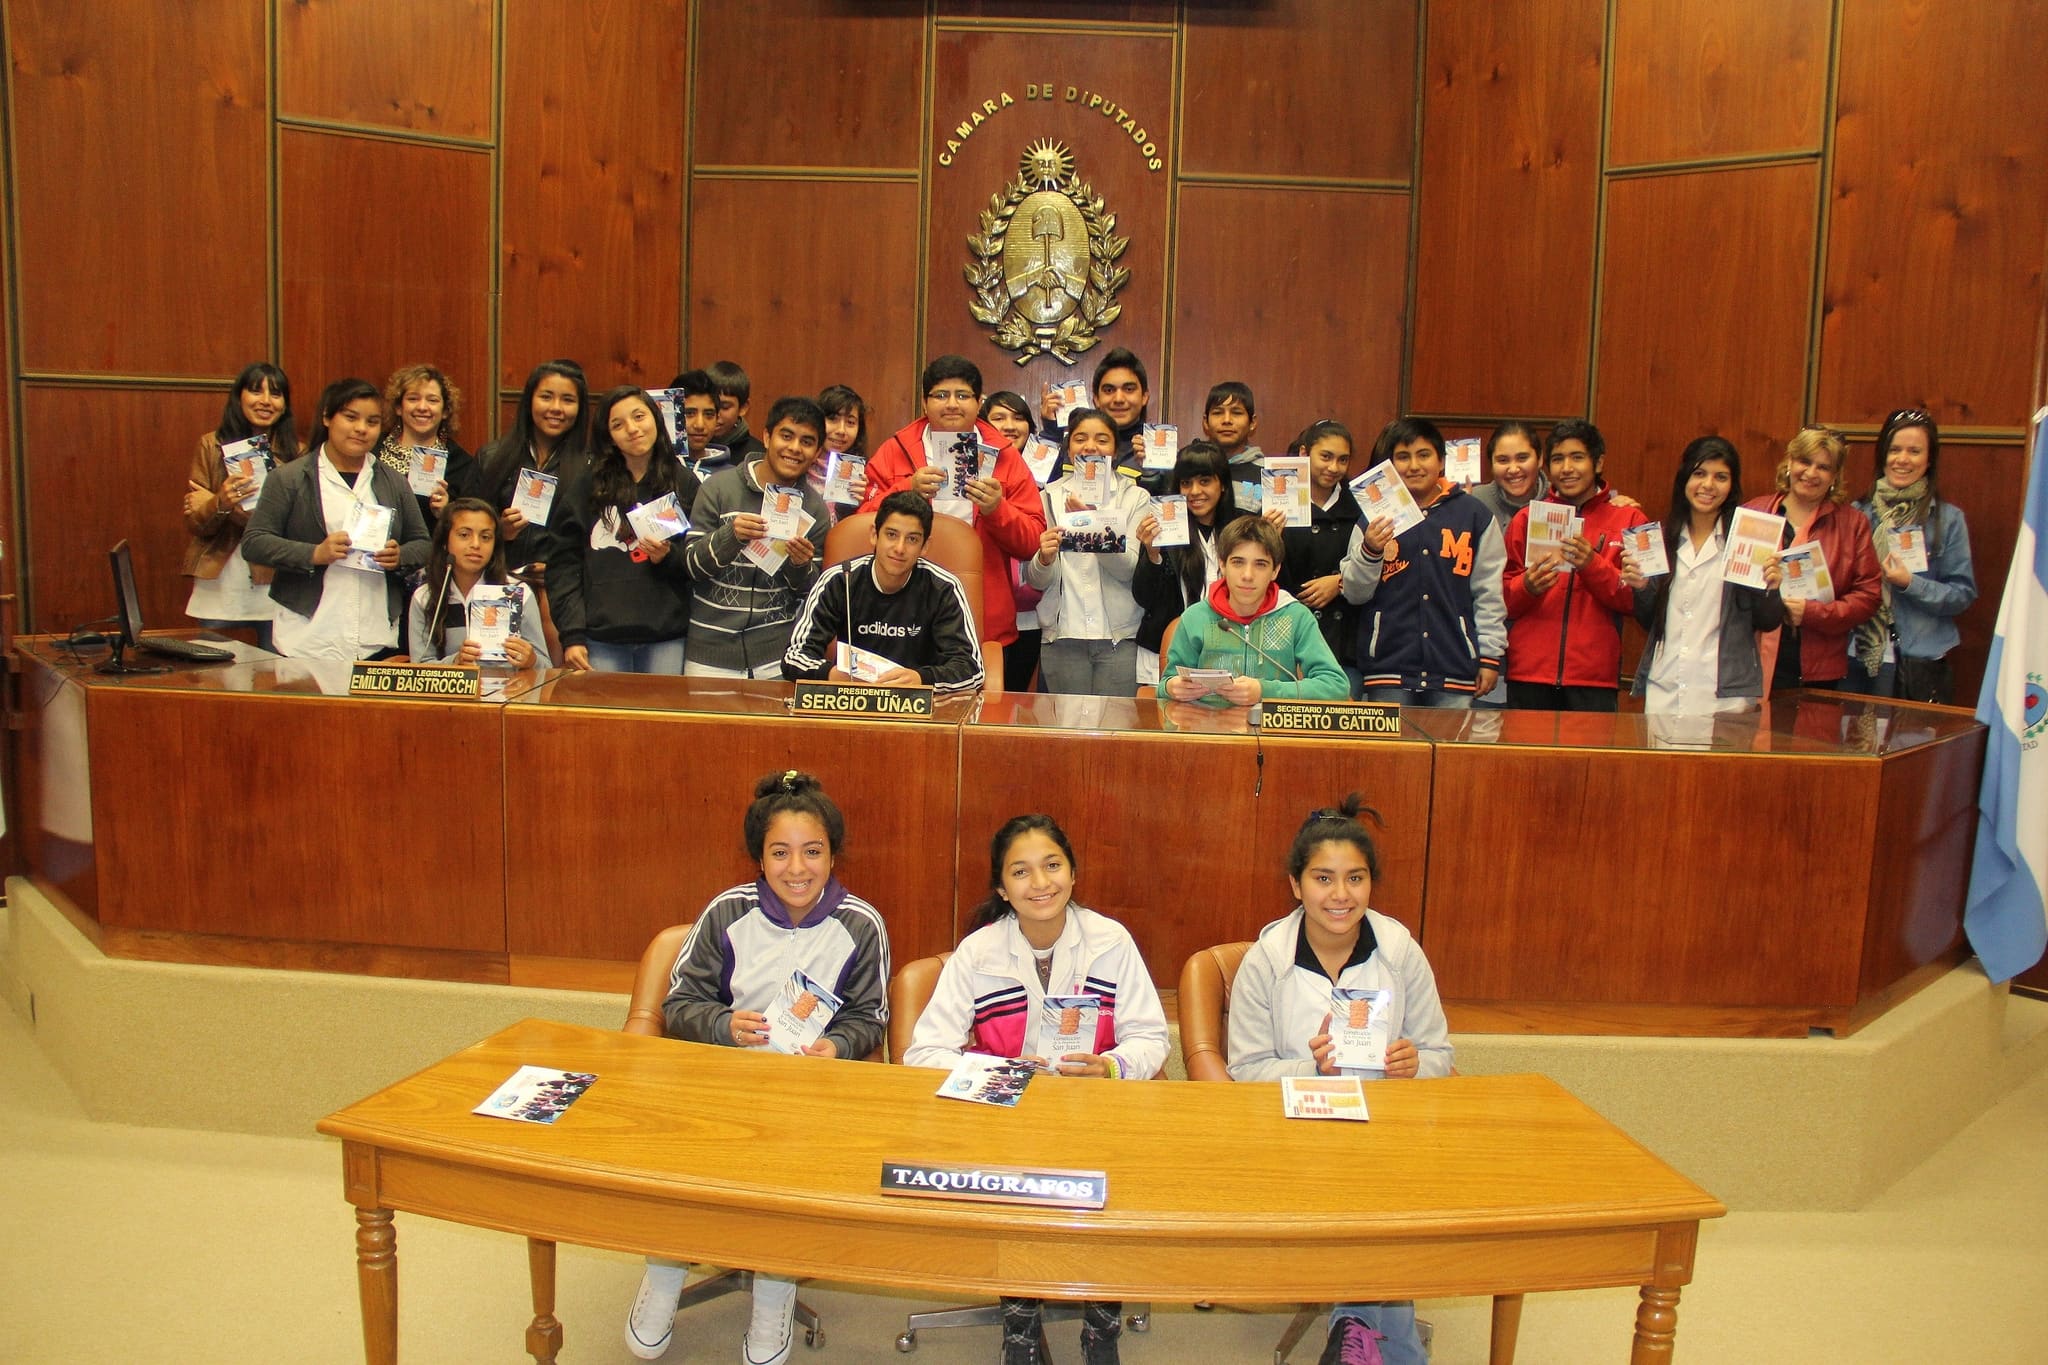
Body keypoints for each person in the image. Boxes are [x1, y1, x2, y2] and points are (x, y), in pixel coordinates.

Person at [628, 770, 891, 1364]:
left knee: (789, 1175)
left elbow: (871, 1017)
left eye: (813, 852)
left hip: (809, 1091)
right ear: (758, 857)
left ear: (833, 855)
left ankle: (774, 1293)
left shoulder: (861, 924)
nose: (797, 868)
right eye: (780, 853)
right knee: (685, 1163)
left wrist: (839, 1047)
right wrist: (724, 1025)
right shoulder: (727, 913)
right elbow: (680, 1004)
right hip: (725, 1082)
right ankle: (665, 1271)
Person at [904, 813, 1166, 1365]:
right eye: (1021, 872)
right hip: (1006, 1116)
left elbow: (1151, 1036)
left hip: (1093, 1112)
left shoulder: (1110, 942)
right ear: (1002, 887)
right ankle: (1018, 1331)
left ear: (1074, 873)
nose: (1040, 883)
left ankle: (1101, 1333)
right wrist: (1000, 1072)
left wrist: (1111, 1066)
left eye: (1052, 865)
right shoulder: (978, 952)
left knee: (1105, 1189)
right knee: (1017, 1188)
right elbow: (924, 1053)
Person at [1227, 797, 1451, 1365]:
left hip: (1382, 1127)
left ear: (1372, 884)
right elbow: (1246, 1070)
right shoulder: (1267, 960)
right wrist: (1313, 1069)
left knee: (1381, 1180)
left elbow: (1441, 1055)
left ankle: (1356, 1326)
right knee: (1368, 1193)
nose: (1340, 894)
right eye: (1323, 879)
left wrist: (1413, 1063)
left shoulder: (1400, 952)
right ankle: (1376, 1335)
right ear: (1295, 886)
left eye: (1356, 878)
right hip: (1295, 1130)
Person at [857, 355, 1045, 676]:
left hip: (982, 611)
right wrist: (907, 488)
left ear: (979, 402)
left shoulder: (1005, 456)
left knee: (981, 716)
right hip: (904, 613)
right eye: (941, 395)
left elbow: (1032, 541)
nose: (952, 404)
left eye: (963, 395)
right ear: (924, 402)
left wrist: (996, 510)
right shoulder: (896, 449)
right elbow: (861, 526)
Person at [242, 377, 429, 660]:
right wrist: (314, 553)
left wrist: (399, 555)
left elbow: (424, 544)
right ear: (327, 417)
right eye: (350, 417)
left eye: (372, 421)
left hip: (373, 634)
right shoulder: (289, 478)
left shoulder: (394, 482)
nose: (361, 429)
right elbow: (254, 543)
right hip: (306, 634)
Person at [1339, 417, 1504, 707]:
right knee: (1391, 753)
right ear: (1390, 466)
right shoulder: (1372, 517)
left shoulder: (1474, 516)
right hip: (1388, 668)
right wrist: (1371, 551)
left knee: (1451, 751)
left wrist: (1489, 657)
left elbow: (1489, 593)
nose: (1414, 466)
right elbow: (1354, 593)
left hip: (1454, 668)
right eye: (1403, 457)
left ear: (1441, 461)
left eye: (1423, 455)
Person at [1623, 437, 1783, 714]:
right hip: (1665, 690)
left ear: (1732, 486)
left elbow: (1767, 621)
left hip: (1724, 698)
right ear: (1684, 479)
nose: (1708, 485)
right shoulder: (1663, 539)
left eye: (1720, 477)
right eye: (1699, 474)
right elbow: (1649, 622)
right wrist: (1642, 588)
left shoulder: (1745, 542)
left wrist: (1770, 588)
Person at [547, 386, 700, 673]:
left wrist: (667, 558)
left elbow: (699, 558)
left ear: (656, 418)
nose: (632, 429)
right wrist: (572, 634)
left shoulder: (683, 482)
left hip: (666, 637)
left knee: (661, 718)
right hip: (602, 639)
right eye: (618, 425)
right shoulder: (587, 486)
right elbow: (563, 564)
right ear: (610, 437)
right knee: (607, 719)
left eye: (639, 416)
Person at [680, 396, 830, 678]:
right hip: (710, 653)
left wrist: (798, 565)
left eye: (807, 442)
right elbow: (690, 567)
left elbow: (809, 592)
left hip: (776, 656)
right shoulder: (719, 488)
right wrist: (730, 536)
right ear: (766, 436)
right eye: (786, 436)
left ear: (817, 451)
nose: (795, 449)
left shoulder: (814, 508)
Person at [783, 490, 985, 691]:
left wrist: (921, 679)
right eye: (891, 535)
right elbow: (795, 656)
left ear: (925, 547)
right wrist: (832, 675)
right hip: (852, 700)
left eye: (912, 539)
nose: (899, 548)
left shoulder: (943, 587)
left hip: (916, 707)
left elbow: (972, 670)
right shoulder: (839, 579)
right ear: (874, 535)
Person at [1501, 420, 1637, 710]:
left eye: (1577, 457)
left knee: (1588, 758)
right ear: (1547, 467)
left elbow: (1635, 600)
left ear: (1598, 463)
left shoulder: (1629, 521)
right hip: (1529, 673)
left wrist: (1592, 564)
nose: (1567, 468)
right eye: (1558, 459)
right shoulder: (1526, 519)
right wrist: (1526, 587)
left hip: (1594, 678)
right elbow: (1500, 599)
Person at [1847, 409, 1977, 702]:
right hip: (1858, 658)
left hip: (1918, 662)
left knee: (1911, 748)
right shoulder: (1857, 514)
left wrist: (1909, 583)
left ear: (1929, 460)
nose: (1902, 459)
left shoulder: (1948, 519)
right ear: (1883, 456)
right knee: (1852, 743)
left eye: (1914, 451)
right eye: (1894, 450)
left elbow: (1962, 595)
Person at [1742, 426, 1881, 693]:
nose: (1811, 473)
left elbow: (1869, 596)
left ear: (1835, 476)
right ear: (1789, 462)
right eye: (1804, 461)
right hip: (1748, 659)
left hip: (1816, 669)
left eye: (1823, 467)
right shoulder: (1753, 512)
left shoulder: (1853, 524)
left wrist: (1813, 613)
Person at [1024, 408, 1150, 696]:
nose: (1091, 446)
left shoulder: (1135, 497)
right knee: (1066, 735)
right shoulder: (1048, 497)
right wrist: (1043, 559)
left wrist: (1091, 526)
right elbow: (1035, 580)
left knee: (1115, 733)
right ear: (1068, 450)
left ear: (1116, 451)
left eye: (1102, 440)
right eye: (1080, 438)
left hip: (1119, 638)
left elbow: (1129, 569)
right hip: (1062, 637)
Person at [1162, 514, 1350, 704]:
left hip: (1271, 729)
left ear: (1275, 570)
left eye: (1260, 564)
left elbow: (1336, 685)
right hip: (1208, 728)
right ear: (1222, 565)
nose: (1247, 575)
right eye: (1238, 562)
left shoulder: (1296, 617)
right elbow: (1164, 686)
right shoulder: (1195, 617)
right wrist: (1171, 687)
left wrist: (1265, 691)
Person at [182, 361, 301, 650]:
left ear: (284, 405)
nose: (265, 401)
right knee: (215, 679)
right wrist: (219, 502)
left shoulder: (298, 453)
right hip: (221, 579)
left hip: (273, 578)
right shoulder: (211, 445)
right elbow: (196, 523)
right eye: (255, 392)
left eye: (275, 394)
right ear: (239, 397)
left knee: (274, 680)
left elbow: (296, 525)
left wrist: (226, 508)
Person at [1130, 441, 1240, 684]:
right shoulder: (1163, 526)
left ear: (1222, 484)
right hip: (1165, 651)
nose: (1194, 491)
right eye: (1185, 483)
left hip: (1228, 650)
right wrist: (1152, 554)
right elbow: (1143, 597)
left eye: (1204, 481)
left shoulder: (1241, 528)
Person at [477, 359, 591, 574]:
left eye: (568, 400)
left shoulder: (591, 466)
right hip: (497, 583)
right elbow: (465, 525)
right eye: (546, 397)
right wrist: (497, 531)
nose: (556, 408)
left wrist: (555, 568)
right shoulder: (491, 457)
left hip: (559, 590)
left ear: (580, 408)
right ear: (530, 401)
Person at [407, 498, 548, 668]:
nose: (476, 544)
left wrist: (531, 660)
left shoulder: (516, 592)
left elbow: (546, 667)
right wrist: (455, 662)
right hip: (453, 693)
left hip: (508, 691)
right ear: (445, 542)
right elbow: (420, 667)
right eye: (464, 535)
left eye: (486, 537)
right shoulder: (425, 597)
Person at [1278, 420, 1362, 685]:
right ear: (1304, 453)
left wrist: (1339, 582)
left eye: (1343, 460)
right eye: (1325, 456)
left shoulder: (1359, 506)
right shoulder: (1278, 502)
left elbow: (1377, 568)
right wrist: (1271, 537)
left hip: (1344, 642)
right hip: (1289, 640)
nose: (1334, 468)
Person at [984, 389, 1047, 689]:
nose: (1010, 425)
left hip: (1033, 612)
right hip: (991, 608)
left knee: (1017, 699)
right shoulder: (976, 473)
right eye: (999, 417)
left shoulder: (1051, 473)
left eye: (1019, 418)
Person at [372, 363, 477, 531]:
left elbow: (470, 528)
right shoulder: (372, 452)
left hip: (432, 553)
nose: (422, 407)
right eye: (413, 399)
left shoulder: (462, 465)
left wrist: (447, 513)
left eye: (432, 400)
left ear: (445, 411)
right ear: (399, 407)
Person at [1038, 347, 1159, 492]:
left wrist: (1153, 471)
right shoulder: (1072, 445)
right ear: (1096, 399)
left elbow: (1169, 506)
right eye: (1109, 390)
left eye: (1128, 389)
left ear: (1145, 397)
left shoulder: (1161, 451)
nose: (1119, 399)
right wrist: (1051, 433)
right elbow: (1037, 493)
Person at [810, 383, 871, 521]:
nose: (841, 431)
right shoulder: (797, 464)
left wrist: (861, 503)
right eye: (833, 419)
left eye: (850, 422)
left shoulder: (864, 476)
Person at [1202, 381, 1264, 508]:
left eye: (1236, 413)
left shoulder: (1267, 473)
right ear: (1205, 422)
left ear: (1252, 422)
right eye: (1218, 413)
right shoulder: (1190, 466)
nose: (1226, 420)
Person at [666, 368, 727, 482]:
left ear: (717, 418)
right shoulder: (652, 470)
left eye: (709, 415)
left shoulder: (730, 476)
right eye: (689, 413)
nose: (699, 425)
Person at [708, 359, 766, 464]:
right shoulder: (687, 448)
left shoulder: (756, 457)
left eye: (725, 407)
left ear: (743, 408)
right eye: (710, 406)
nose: (716, 414)